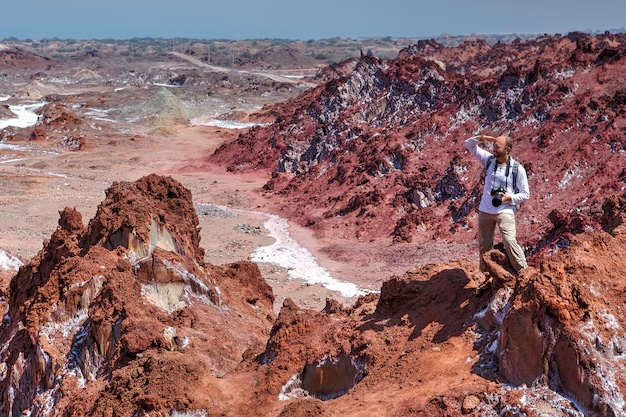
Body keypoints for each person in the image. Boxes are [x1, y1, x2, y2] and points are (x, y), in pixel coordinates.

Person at [465, 134, 529, 272]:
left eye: (497, 147)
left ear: (508, 149)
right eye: (493, 146)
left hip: (504, 211)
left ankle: (523, 271)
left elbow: (525, 194)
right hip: (485, 210)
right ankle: (486, 275)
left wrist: (508, 198)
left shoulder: (517, 169)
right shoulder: (488, 161)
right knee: (484, 244)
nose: (494, 150)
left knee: (509, 240)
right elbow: (469, 144)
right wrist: (481, 138)